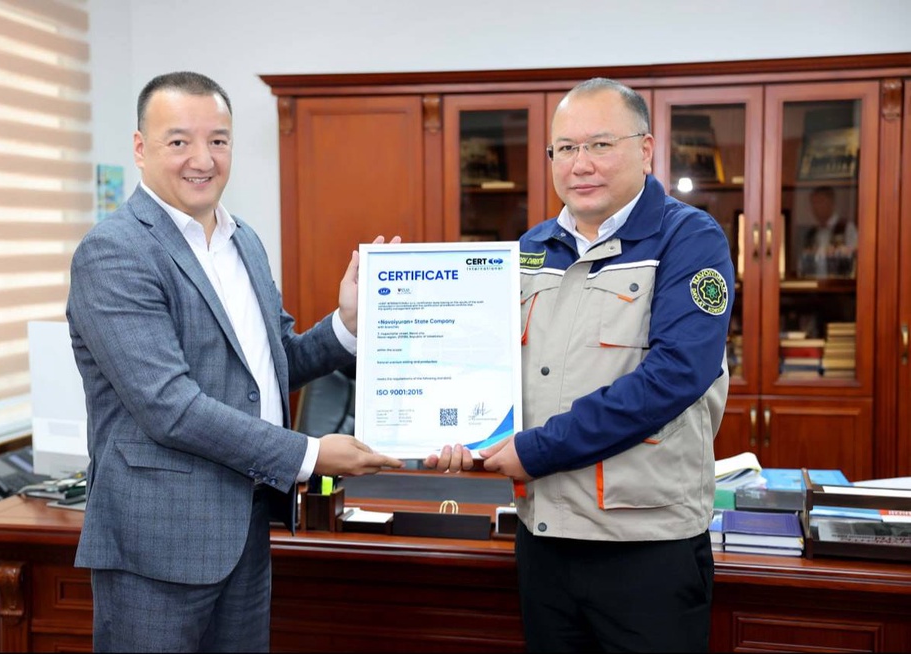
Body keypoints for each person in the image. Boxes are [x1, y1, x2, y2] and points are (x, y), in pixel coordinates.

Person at [66, 71, 403, 653]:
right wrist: (310, 455)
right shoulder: (115, 252)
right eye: (179, 141)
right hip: (156, 543)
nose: (203, 159)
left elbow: (273, 364)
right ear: (141, 148)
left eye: (218, 140)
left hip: (244, 529)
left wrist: (348, 323)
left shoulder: (242, 239)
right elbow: (169, 407)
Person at [427, 78, 733, 652]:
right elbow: (477, 363)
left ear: (645, 149)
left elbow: (675, 376)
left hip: (645, 546)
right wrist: (456, 431)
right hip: (544, 540)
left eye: (600, 145)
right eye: (565, 148)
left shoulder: (689, 239)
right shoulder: (529, 249)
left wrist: (536, 450)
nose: (580, 164)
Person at [798, 185, 857, 278]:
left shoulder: (847, 228)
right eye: (813, 203)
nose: (816, 208)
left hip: (840, 285)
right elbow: (803, 265)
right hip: (814, 284)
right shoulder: (811, 233)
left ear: (831, 203)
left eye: (820, 202)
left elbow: (854, 260)